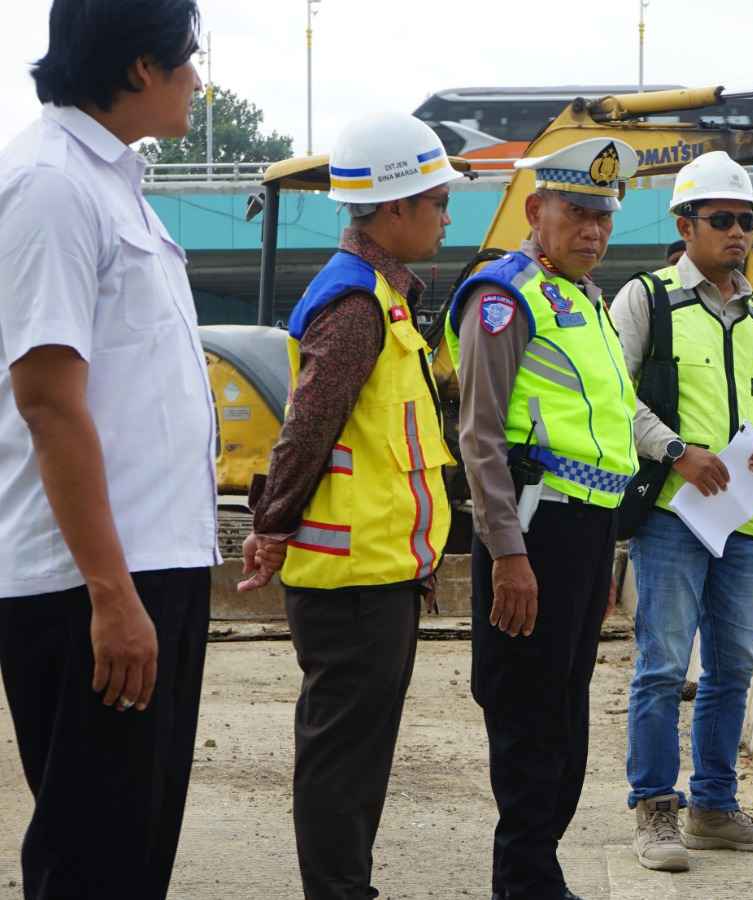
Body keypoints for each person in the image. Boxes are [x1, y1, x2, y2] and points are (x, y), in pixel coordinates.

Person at [0, 2, 218, 896]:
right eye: (187, 62)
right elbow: (49, 402)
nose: (198, 83)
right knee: (91, 861)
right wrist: (111, 594)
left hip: (155, 569)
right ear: (139, 67)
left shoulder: (114, 182)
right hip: (89, 584)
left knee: (133, 853)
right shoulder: (49, 183)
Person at [235, 111, 459, 898]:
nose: (447, 213)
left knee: (357, 762)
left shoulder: (384, 299)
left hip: (379, 570)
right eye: (436, 199)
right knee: (341, 764)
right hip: (351, 580)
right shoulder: (356, 305)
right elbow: (305, 430)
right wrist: (271, 526)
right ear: (393, 207)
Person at [446, 137, 642, 900]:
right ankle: (525, 882)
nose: (593, 231)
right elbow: (480, 437)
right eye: (577, 213)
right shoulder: (503, 297)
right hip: (533, 528)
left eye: (603, 216)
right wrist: (508, 554)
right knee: (529, 715)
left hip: (585, 534)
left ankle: (537, 876)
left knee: (566, 713)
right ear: (536, 211)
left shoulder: (586, 299)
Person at [609, 150, 753, 872]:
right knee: (661, 666)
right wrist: (675, 450)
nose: (738, 232)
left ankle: (715, 807)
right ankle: (656, 810)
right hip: (671, 517)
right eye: (722, 219)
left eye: (746, 220)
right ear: (685, 224)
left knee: (732, 669)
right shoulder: (646, 300)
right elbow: (615, 396)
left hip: (746, 523)